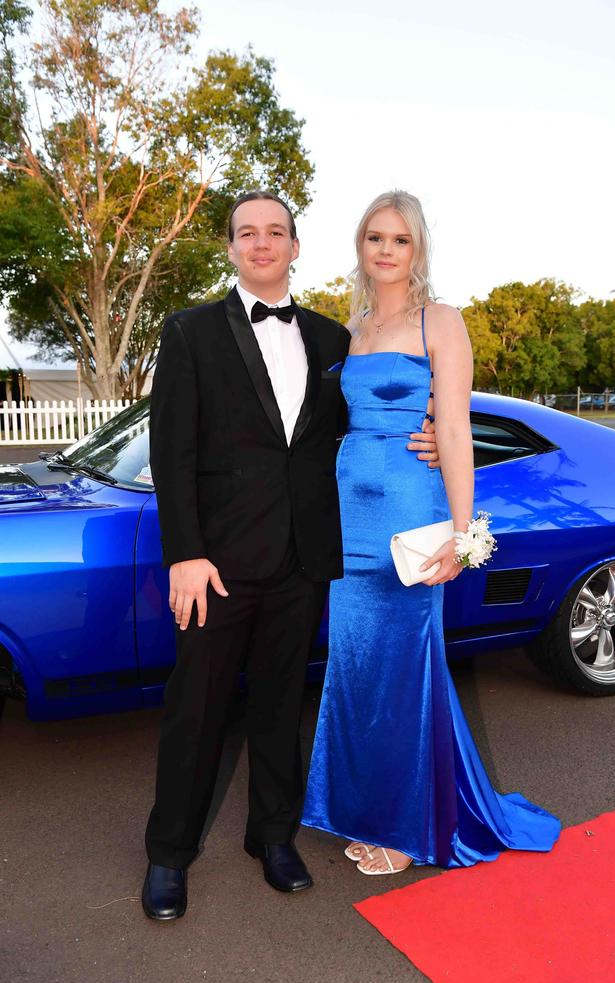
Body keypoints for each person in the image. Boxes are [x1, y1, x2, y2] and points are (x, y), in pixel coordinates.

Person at [142, 190, 439, 919]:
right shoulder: (188, 333)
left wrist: (428, 427)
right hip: (216, 566)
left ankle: (272, 837)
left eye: (276, 232)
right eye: (248, 233)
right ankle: (168, 855)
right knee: (196, 712)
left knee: (279, 710)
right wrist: (186, 553)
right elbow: (170, 452)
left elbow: (368, 420)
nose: (262, 244)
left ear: (296, 246)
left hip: (305, 560)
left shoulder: (336, 338)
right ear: (232, 247)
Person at [302, 191, 561, 875]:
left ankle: (407, 827)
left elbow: (453, 430)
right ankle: (362, 809)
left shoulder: (439, 322)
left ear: (418, 250)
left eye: (400, 240)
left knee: (404, 669)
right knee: (354, 670)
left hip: (410, 517)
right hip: (346, 520)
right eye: (375, 238)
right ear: (360, 246)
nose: (385, 251)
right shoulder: (347, 330)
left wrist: (463, 529)